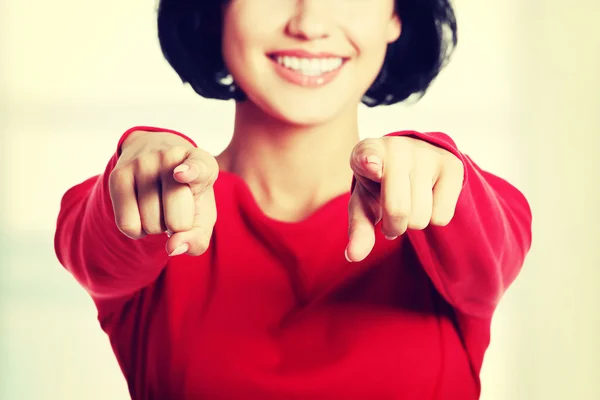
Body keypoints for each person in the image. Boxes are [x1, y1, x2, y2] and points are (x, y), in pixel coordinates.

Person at [54, 0, 532, 399]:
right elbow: (96, 245)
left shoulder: (450, 203)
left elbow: (492, 248)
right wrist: (138, 171)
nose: (309, 24)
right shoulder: (153, 207)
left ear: (397, 13)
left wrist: (444, 174)